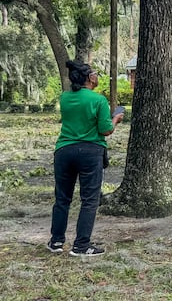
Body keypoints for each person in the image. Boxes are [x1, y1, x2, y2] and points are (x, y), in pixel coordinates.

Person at [46, 60, 124, 257]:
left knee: (62, 198)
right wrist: (116, 118)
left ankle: (56, 241)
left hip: (64, 150)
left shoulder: (64, 98)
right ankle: (81, 245)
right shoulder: (98, 100)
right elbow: (105, 130)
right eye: (96, 73)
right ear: (90, 78)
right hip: (90, 151)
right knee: (89, 199)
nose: (98, 76)